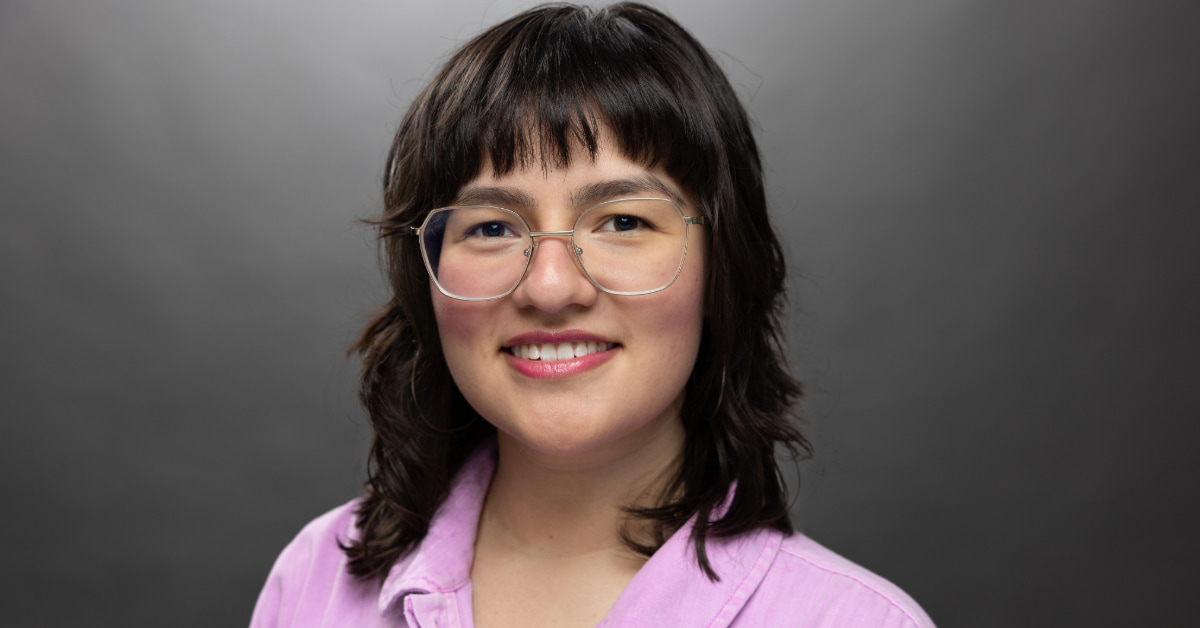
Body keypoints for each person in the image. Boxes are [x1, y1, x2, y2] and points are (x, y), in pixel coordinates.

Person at [251, 3, 933, 626]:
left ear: (723, 266)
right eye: (492, 228)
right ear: (425, 278)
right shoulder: (315, 581)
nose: (550, 288)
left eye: (623, 221)